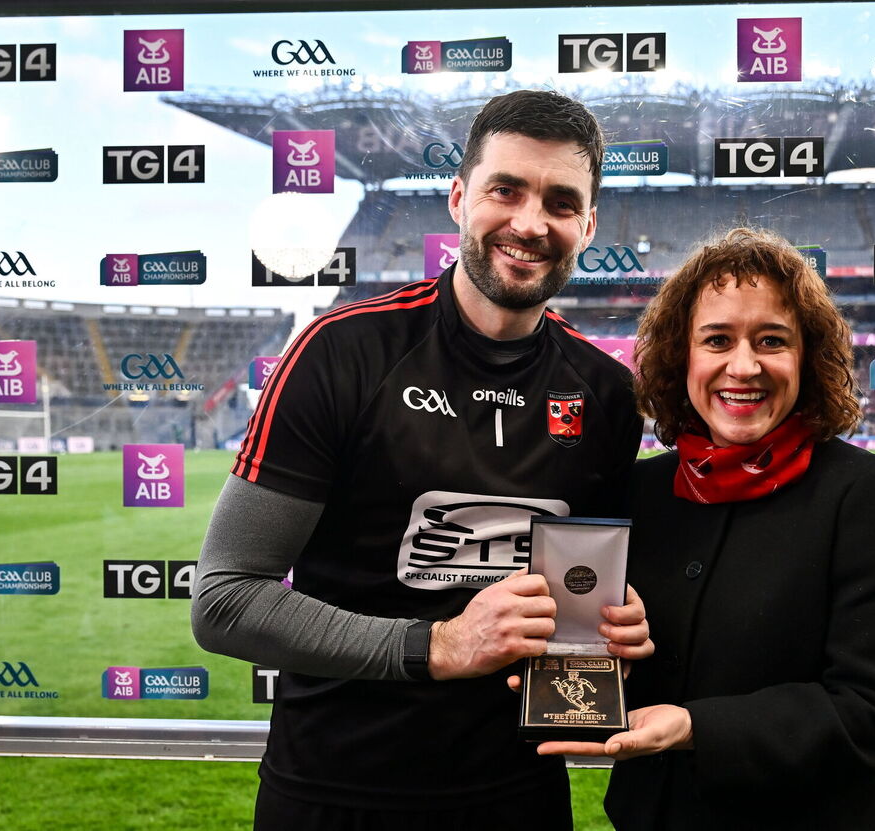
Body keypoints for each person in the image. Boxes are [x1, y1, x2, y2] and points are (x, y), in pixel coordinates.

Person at [191, 89, 651, 830]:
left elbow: (583, 604)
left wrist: (618, 633)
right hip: (334, 794)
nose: (530, 223)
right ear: (459, 197)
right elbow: (225, 600)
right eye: (507, 190)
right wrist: (436, 644)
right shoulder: (341, 352)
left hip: (518, 798)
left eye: (561, 202)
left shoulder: (606, 394)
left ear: (588, 225)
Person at [537, 227, 875, 829]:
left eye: (772, 341)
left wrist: (698, 728)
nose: (744, 366)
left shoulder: (872, 496)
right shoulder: (639, 492)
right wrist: (603, 654)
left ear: (807, 358)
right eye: (717, 339)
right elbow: (600, 655)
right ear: (683, 357)